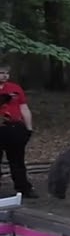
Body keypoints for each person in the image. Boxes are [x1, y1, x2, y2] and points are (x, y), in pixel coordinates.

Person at [0, 64, 35, 198]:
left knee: (17, 160)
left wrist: (28, 127)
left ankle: (24, 188)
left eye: (6, 73)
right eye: (1, 73)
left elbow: (24, 108)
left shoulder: (15, 88)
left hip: (14, 128)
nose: (4, 76)